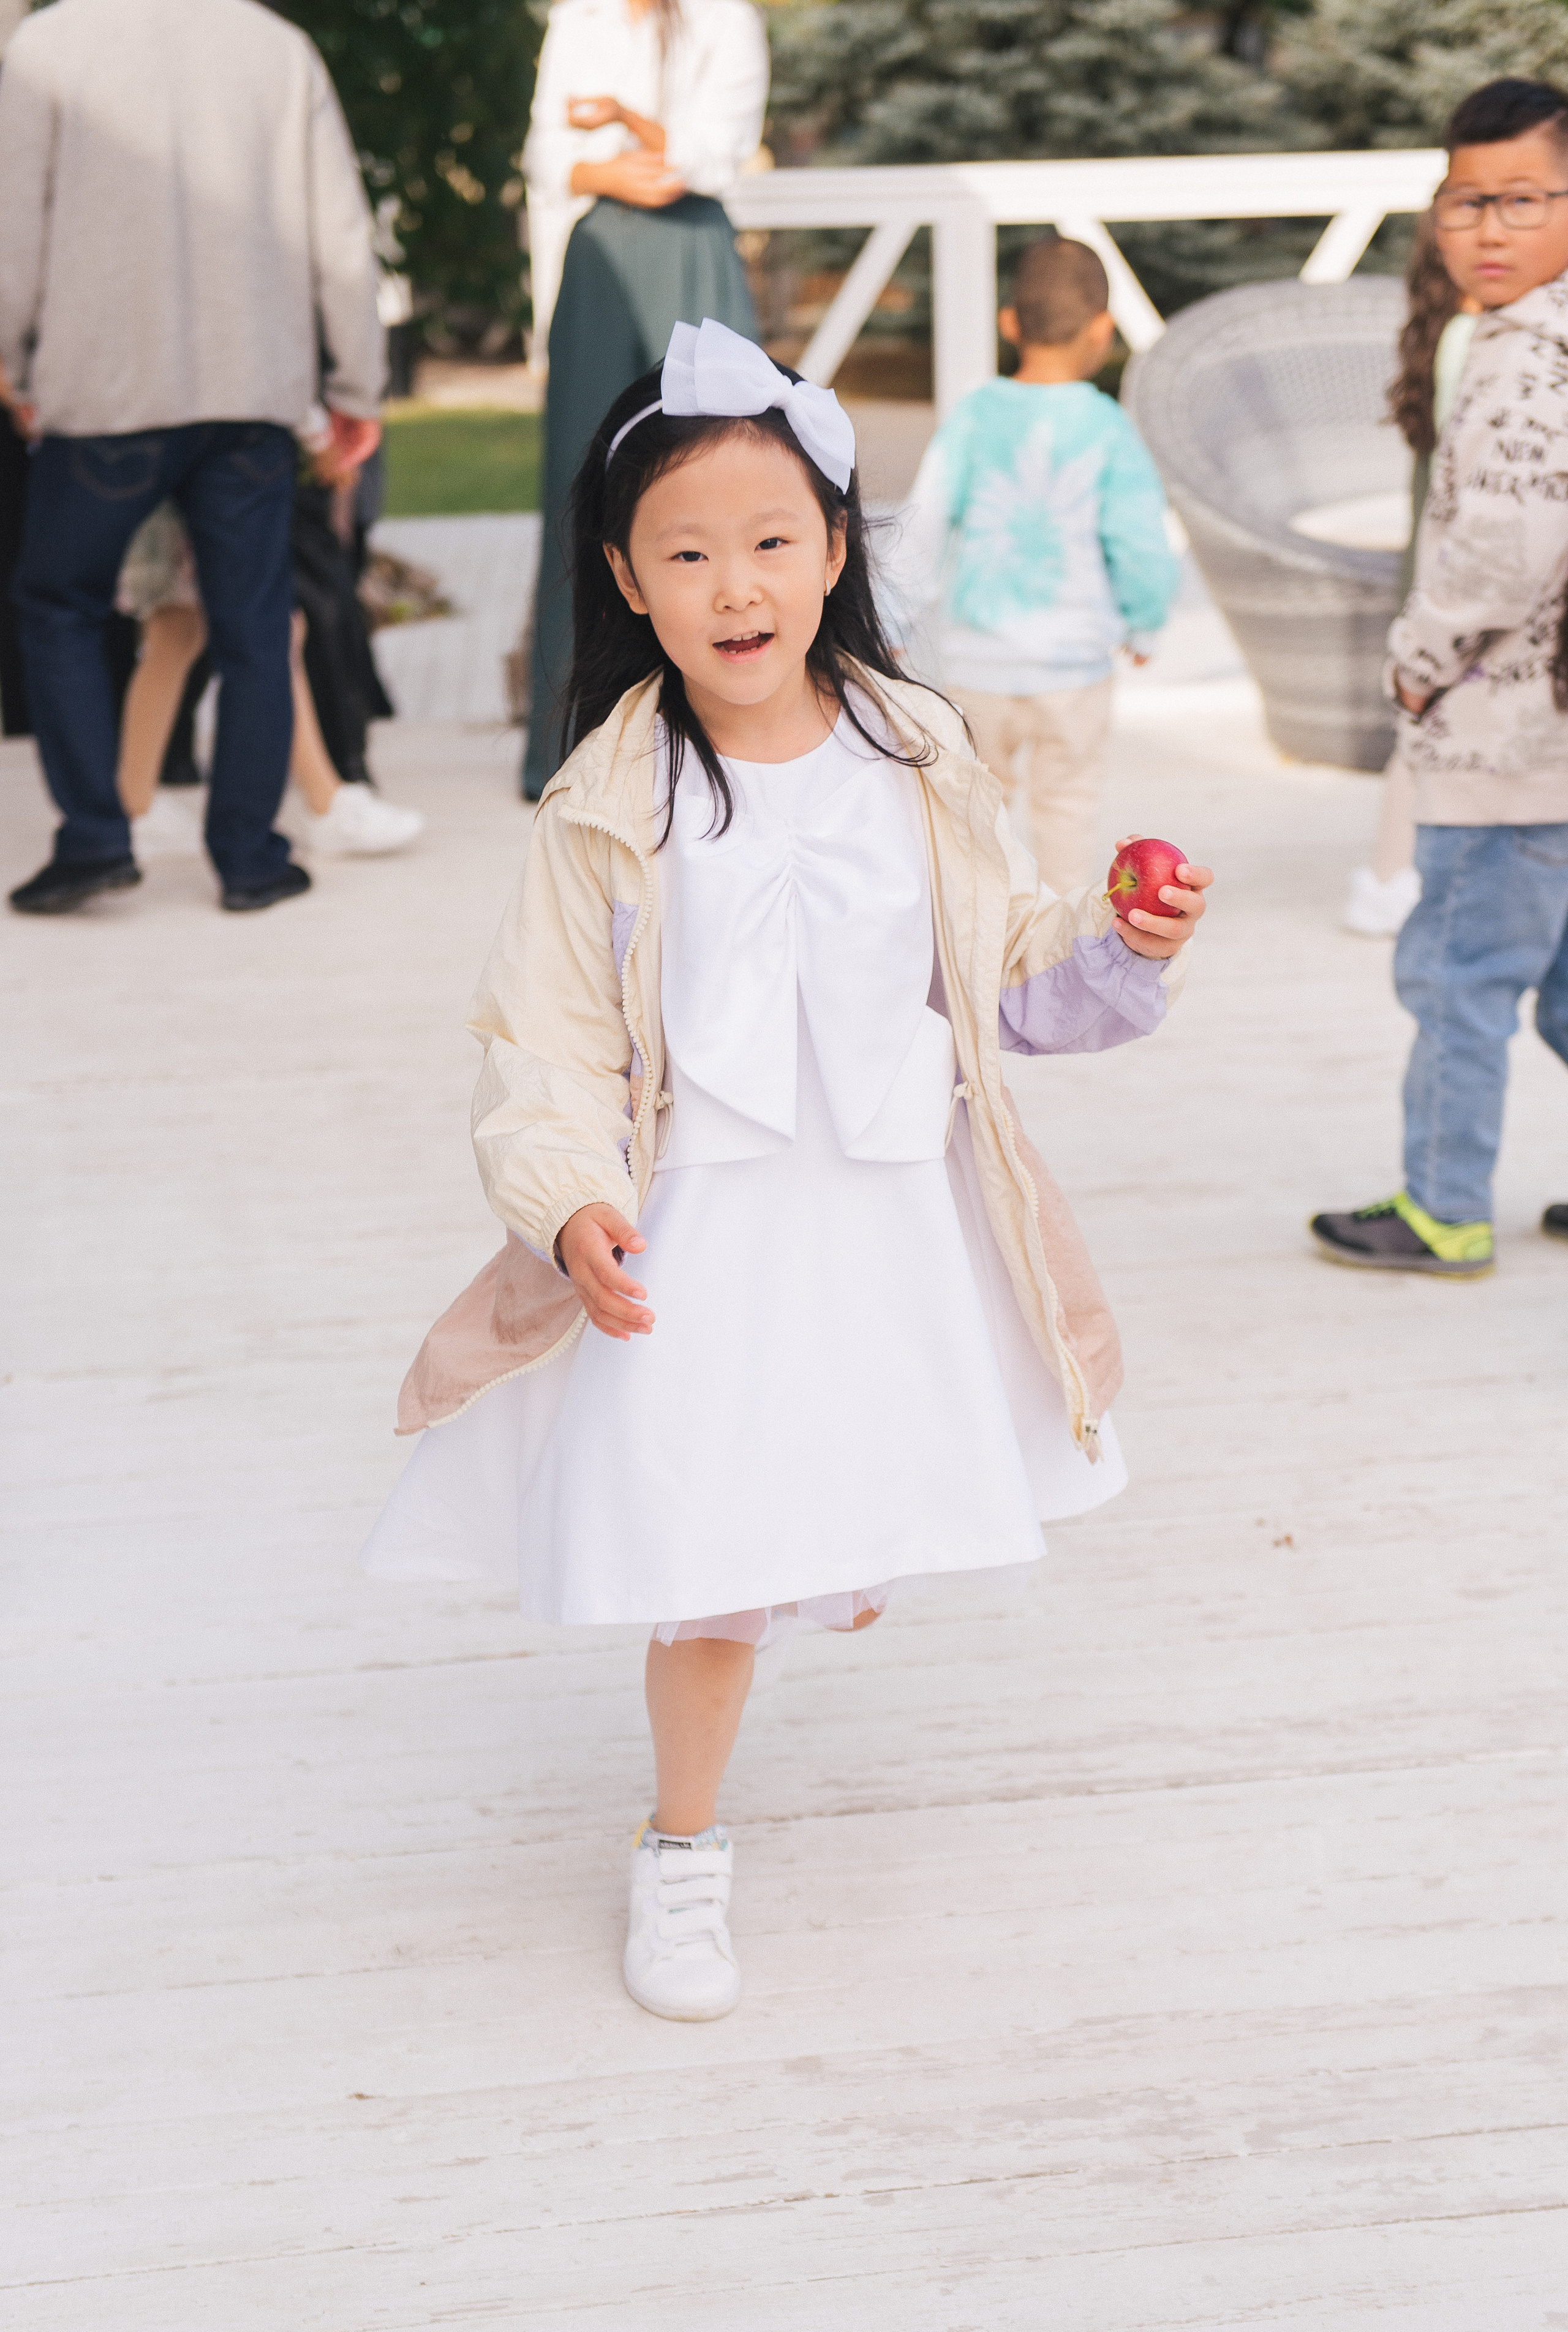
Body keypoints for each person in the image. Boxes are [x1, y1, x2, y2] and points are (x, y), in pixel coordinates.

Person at [361, 319, 1213, 2021]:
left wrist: (1119, 927)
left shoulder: (917, 752)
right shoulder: (609, 800)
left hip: (889, 1212)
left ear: (836, 550)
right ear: (627, 577)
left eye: (772, 540)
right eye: (687, 551)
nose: (734, 583)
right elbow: (541, 1044)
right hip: (707, 1232)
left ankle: (841, 1560)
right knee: (711, 1559)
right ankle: (682, 1849)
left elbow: (1003, 968)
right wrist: (572, 1200)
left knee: (851, 1465)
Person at [0, 0, 385, 916]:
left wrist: (9, 357)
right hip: (250, 390)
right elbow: (343, 236)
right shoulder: (277, 49)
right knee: (253, 622)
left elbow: (12, 219)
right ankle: (250, 857)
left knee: (57, 602)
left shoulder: (49, 45)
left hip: (106, 391)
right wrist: (357, 390)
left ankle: (95, 837)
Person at [1311, 78, 1568, 1275]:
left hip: (1500, 745)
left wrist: (1415, 659)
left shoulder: (1521, 359)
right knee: (1561, 993)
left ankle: (1442, 1206)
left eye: (1520, 199)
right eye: (1463, 202)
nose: (1486, 228)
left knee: (1454, 977)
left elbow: (1498, 553)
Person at [520, 0, 769, 800]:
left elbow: (712, 158)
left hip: (693, 253)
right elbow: (545, 153)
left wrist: (627, 122)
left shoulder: (725, 17)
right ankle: (569, 738)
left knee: (712, 484)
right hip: (595, 254)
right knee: (581, 485)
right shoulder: (578, 16)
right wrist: (603, 168)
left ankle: (712, 724)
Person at [893, 237, 1179, 896]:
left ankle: (980, 936)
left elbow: (927, 515)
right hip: (1072, 668)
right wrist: (1145, 625)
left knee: (975, 816)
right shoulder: (1106, 426)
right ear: (1102, 330)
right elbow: (1138, 539)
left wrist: (898, 612)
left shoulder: (973, 415)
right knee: (1068, 809)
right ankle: (1057, 937)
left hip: (978, 665)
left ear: (1010, 324)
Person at [114, 497, 424, 861]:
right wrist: (320, 442)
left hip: (184, 475)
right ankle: (323, 804)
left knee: (187, 629)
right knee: (254, 628)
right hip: (205, 473)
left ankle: (135, 805)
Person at [1341, 217, 1482, 938]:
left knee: (1427, 731)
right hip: (1459, 573)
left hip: (1449, 569)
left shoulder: (1451, 332)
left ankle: (1392, 878)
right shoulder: (1475, 340)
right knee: (1423, 730)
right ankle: (1387, 881)